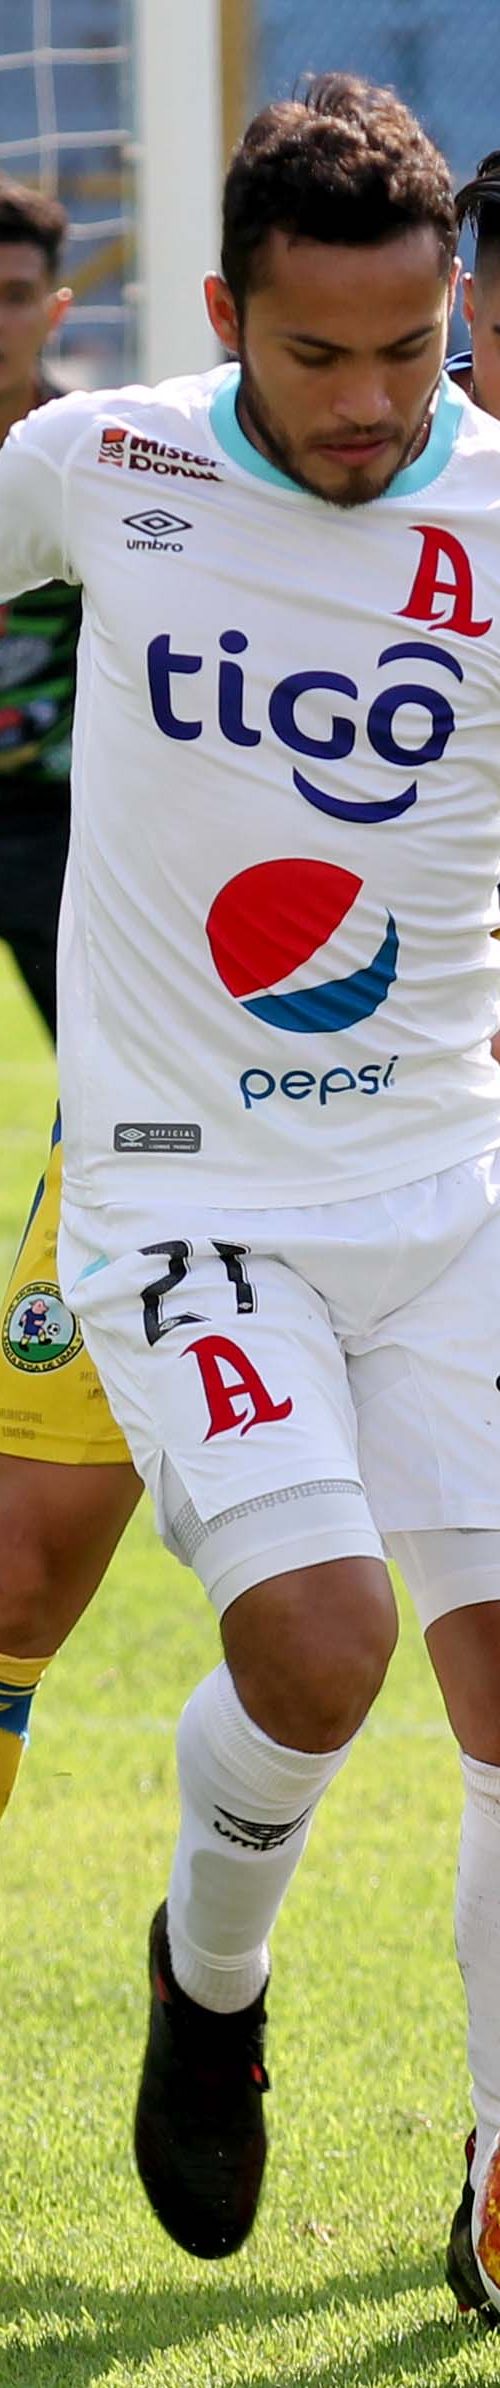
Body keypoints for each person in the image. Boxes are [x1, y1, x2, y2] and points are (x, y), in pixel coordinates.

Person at [2, 68, 500, 2315]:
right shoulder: (99, 467)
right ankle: (208, 1984)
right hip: (186, 1191)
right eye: (318, 353)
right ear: (222, 316)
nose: (372, 400)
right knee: (315, 1646)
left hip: (454, 1185)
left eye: (414, 346)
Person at [0, 177, 80, 1039]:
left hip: (59, 818)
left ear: (55, 311)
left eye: (15, 296)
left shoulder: (96, 467)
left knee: (112, 1083)